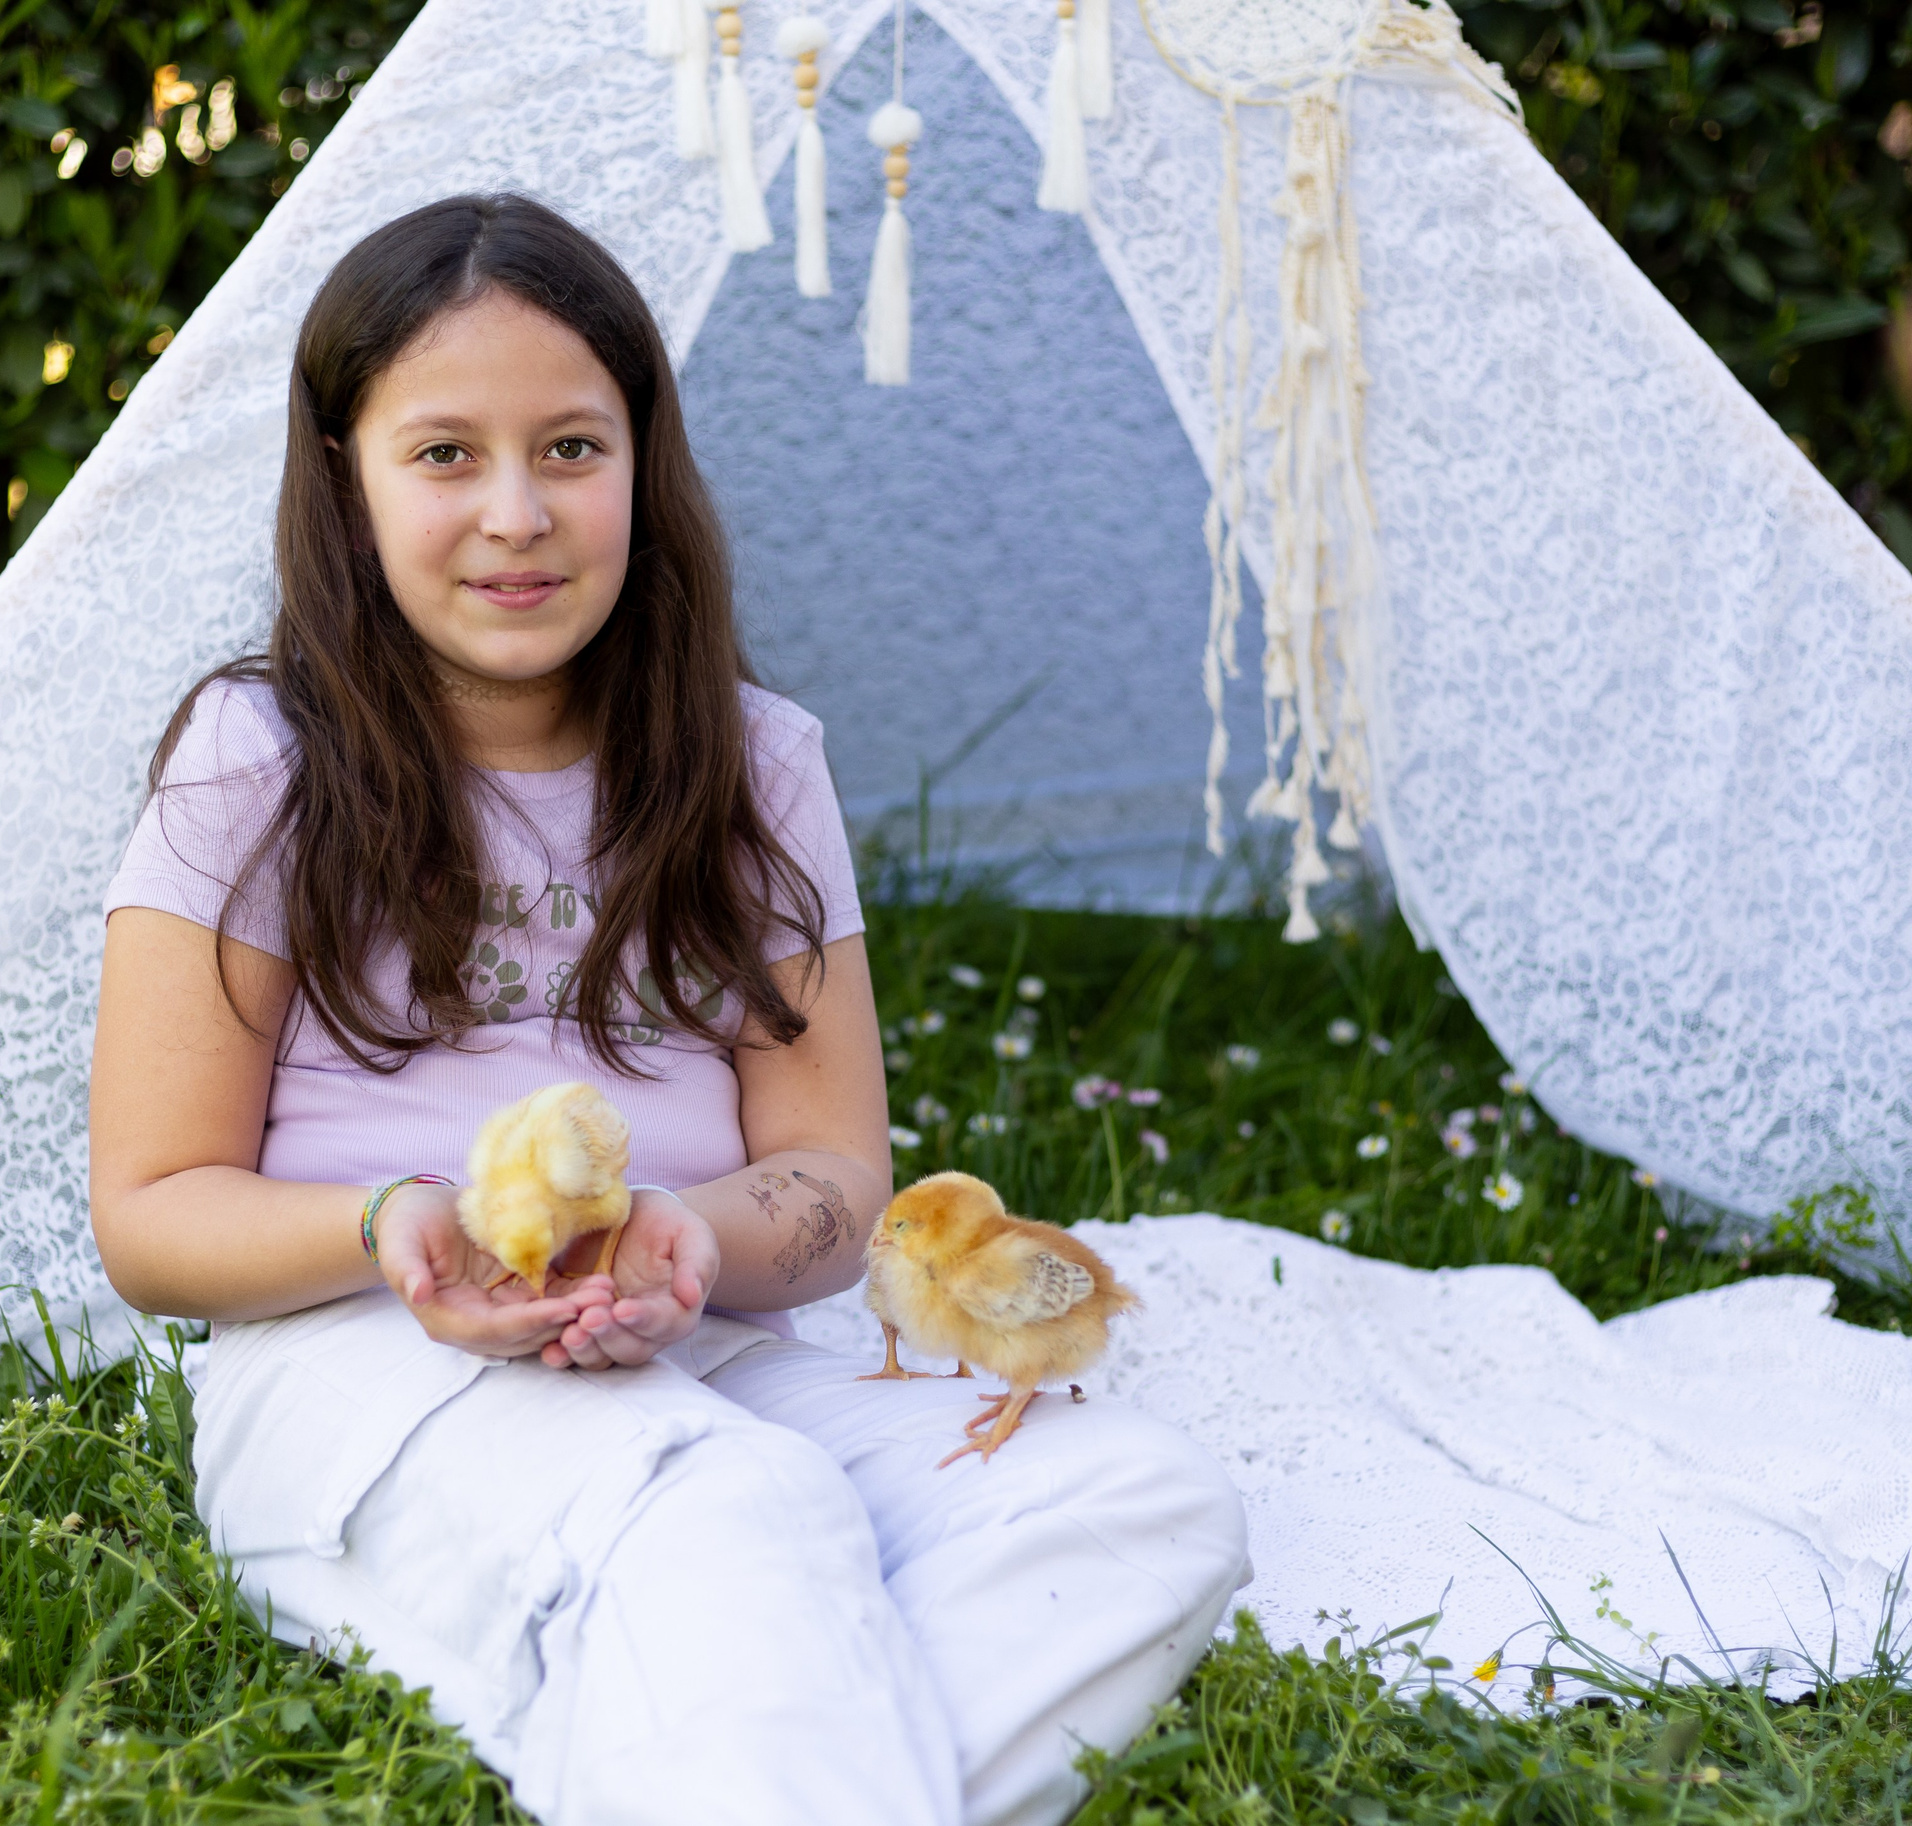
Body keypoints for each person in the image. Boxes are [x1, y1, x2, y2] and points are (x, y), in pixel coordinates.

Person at [87, 194, 1248, 1826]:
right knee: (732, 1513)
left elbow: (840, 1180)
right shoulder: (252, 760)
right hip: (359, 1371)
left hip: (706, 1354)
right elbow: (148, 1215)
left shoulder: (756, 763)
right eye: (443, 455)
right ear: (345, 485)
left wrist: (683, 1236)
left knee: (1138, 1496)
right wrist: (395, 1222)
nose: (517, 513)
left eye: (571, 447)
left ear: (645, 464)